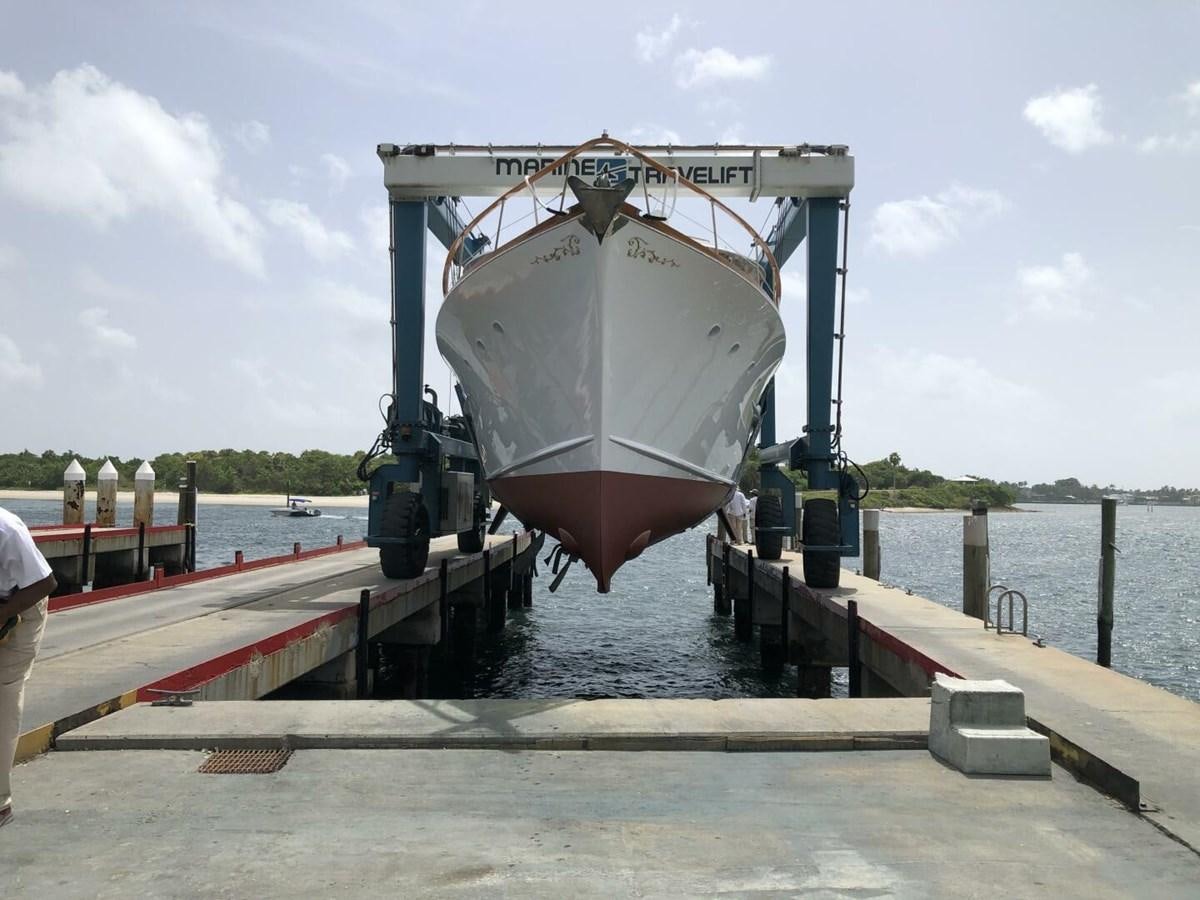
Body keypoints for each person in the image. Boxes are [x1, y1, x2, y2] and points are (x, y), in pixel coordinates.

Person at [0, 506, 56, 829]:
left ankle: (0, 802)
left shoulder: (7, 530)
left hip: (25, 601)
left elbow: (46, 582)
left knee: (4, 695)